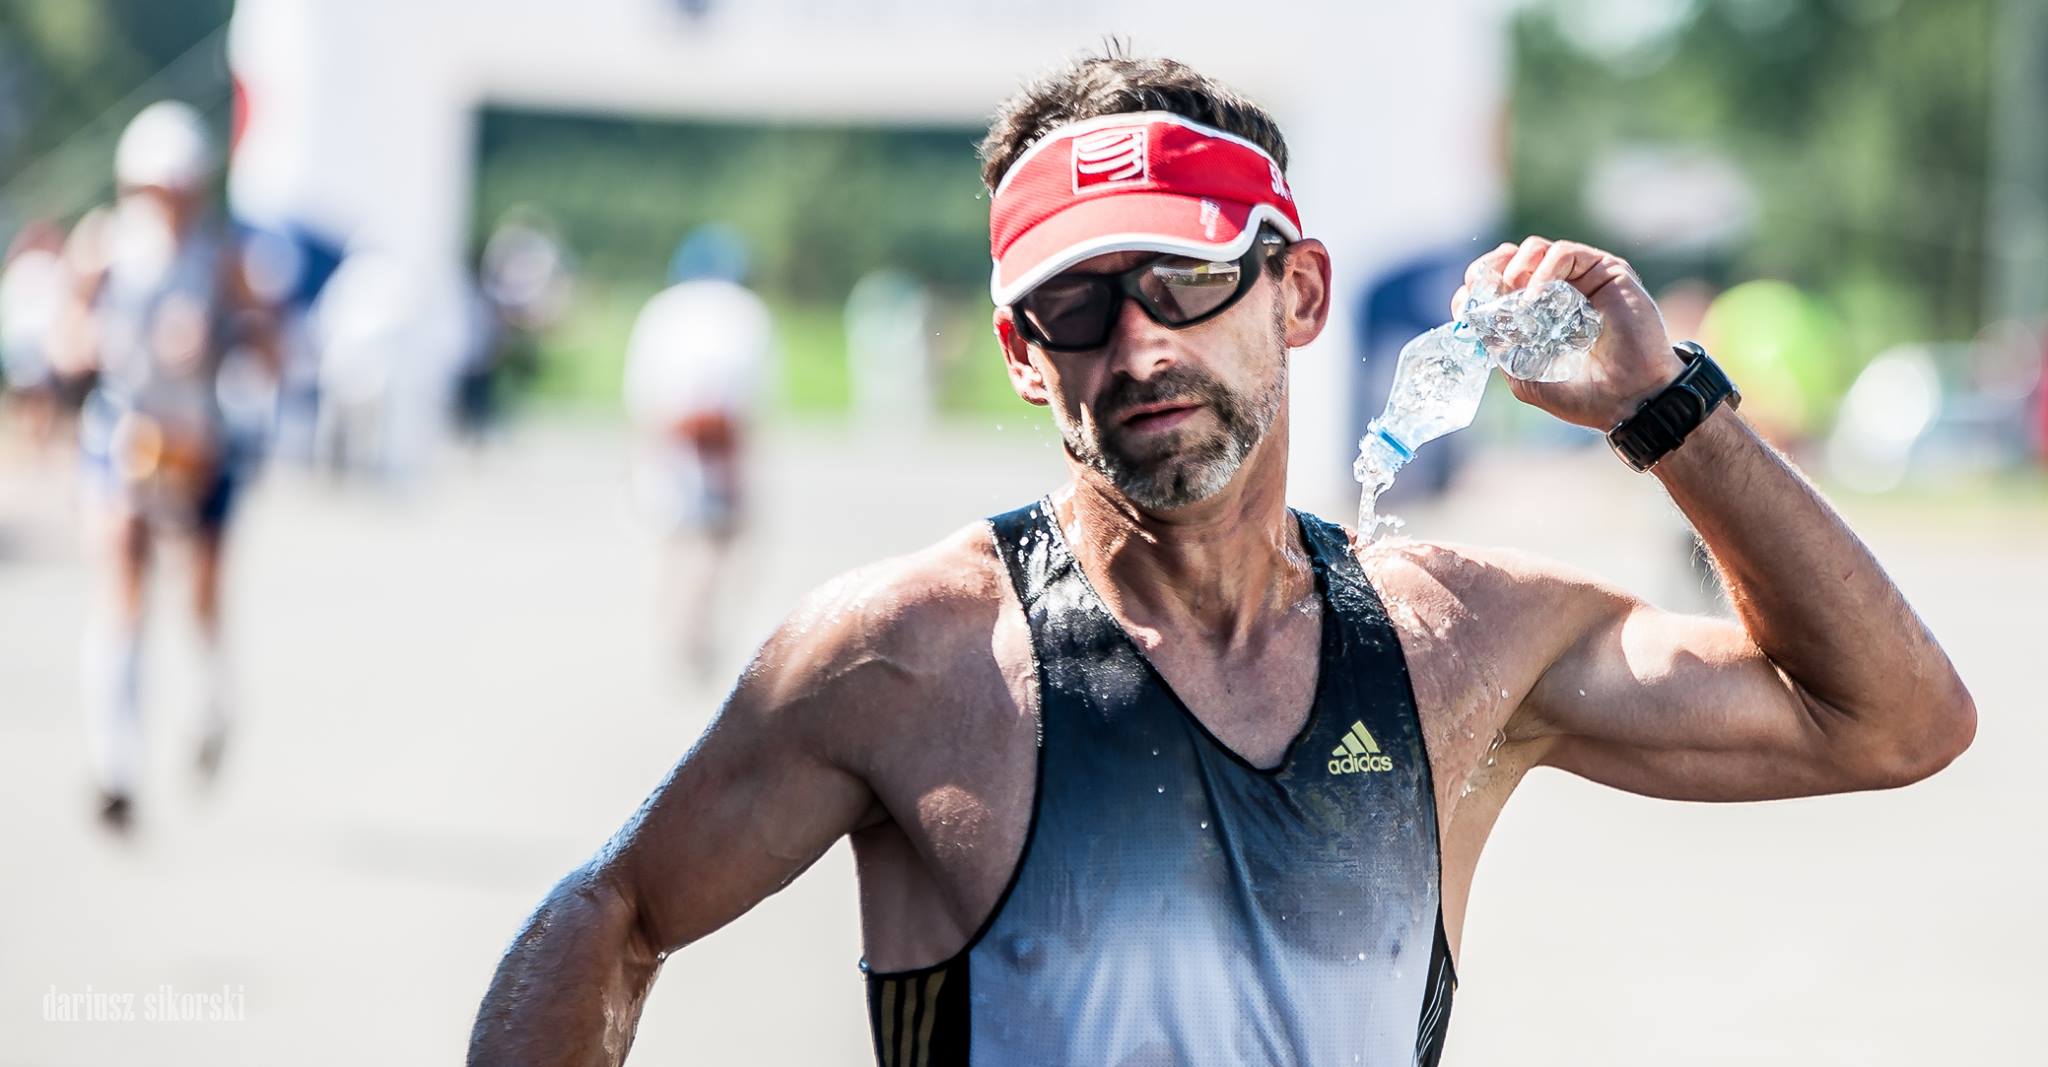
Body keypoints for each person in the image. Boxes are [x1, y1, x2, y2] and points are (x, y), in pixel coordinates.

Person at [469, 54, 1974, 1065]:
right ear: (1021, 354)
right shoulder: (904, 658)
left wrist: (1670, 410)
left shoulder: (1459, 643)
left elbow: (1892, 721)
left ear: (1297, 291)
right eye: (1077, 306)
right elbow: (613, 909)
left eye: (1186, 279)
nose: (1138, 347)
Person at [67, 101, 277, 832]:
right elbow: (67, 339)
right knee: (122, 585)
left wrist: (226, 333)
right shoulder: (102, 249)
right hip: (125, 432)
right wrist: (92, 337)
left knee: (201, 599)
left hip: (201, 439)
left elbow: (270, 349)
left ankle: (215, 706)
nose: (171, 203)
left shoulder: (225, 258)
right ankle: (115, 765)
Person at [621, 225, 771, 677]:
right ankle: (698, 628)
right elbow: (749, 400)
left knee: (671, 542)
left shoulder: (661, 310)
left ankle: (670, 630)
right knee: (720, 541)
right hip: (719, 440)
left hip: (668, 438)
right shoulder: (745, 312)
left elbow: (641, 394)